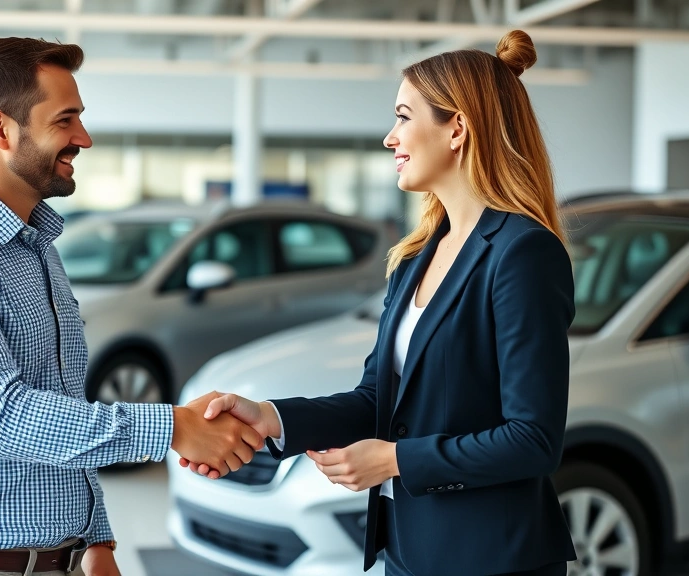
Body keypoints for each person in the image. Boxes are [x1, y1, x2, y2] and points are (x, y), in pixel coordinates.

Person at [182, 30, 577, 576]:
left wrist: (392, 459)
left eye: (403, 117)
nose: (390, 139)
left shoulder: (523, 252)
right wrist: (272, 418)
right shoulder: (417, 255)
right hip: (409, 548)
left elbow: (532, 439)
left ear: (457, 127)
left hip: (490, 559)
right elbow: (377, 400)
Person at [0, 37, 262, 576]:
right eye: (65, 120)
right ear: (0, 130)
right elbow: (3, 417)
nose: (84, 138)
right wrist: (172, 427)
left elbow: (60, 407)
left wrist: (95, 539)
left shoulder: (37, 247)